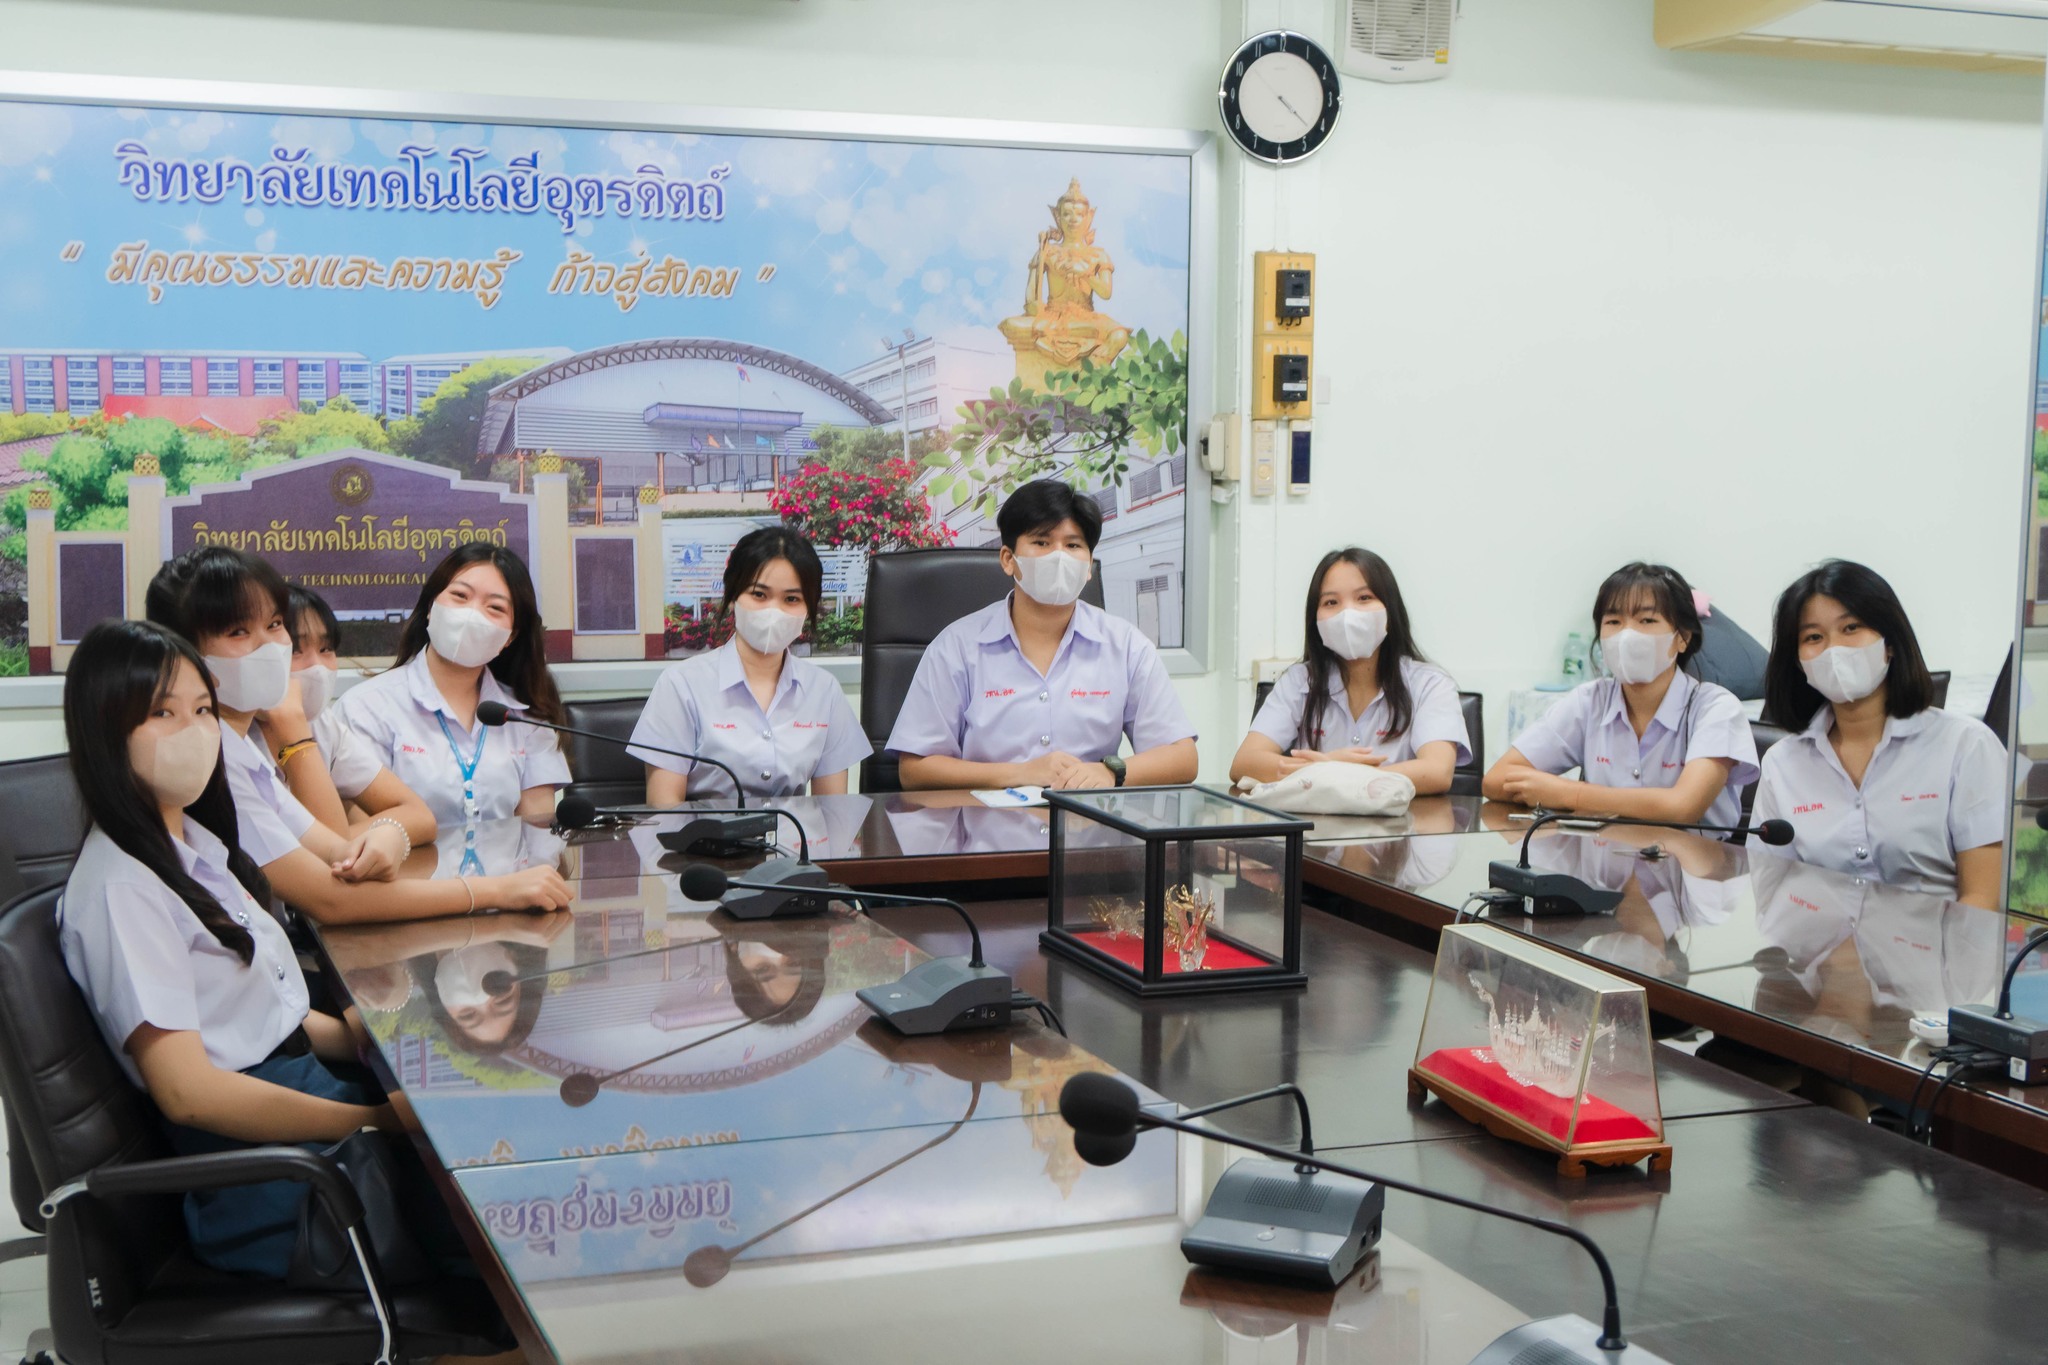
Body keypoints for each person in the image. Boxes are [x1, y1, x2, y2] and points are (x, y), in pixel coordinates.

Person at [54, 621, 416, 1279]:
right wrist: (374, 1119)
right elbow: (192, 1093)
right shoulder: (122, 887)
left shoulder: (195, 843)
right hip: (272, 1179)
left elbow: (256, 1015)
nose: (194, 731)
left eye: (201, 709)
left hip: (303, 1110)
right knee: (481, 1244)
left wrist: (370, 1036)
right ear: (105, 729)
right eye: (161, 712)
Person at [147, 548, 555, 922]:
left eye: (274, 625)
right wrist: (494, 890)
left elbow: (336, 849)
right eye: (238, 632)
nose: (272, 647)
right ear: (183, 651)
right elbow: (333, 899)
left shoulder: (242, 746)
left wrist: (388, 837)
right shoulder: (209, 751)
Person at [887, 479, 1198, 791]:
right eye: (1042, 543)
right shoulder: (956, 647)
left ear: (1089, 565)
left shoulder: (1126, 646)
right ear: (1008, 560)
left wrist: (1110, 772)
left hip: (1089, 831)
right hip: (987, 833)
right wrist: (1020, 774)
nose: (1059, 556)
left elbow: (1182, 757)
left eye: (1073, 545)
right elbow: (915, 770)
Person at [1751, 560, 2004, 906]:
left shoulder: (1966, 746)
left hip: (1939, 953)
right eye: (1813, 637)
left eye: (1851, 628)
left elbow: (1984, 898)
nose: (1833, 649)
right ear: (1798, 661)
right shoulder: (1783, 763)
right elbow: (1773, 894)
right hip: (1822, 954)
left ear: (1890, 642)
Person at [1483, 562, 1758, 829]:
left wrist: (1569, 793)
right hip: (1605, 865)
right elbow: (1496, 780)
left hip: (1695, 866)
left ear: (1682, 637)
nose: (1626, 634)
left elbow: (1682, 807)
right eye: (1613, 621)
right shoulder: (1590, 701)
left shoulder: (1716, 708)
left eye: (1646, 620)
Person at [328, 543, 573, 837]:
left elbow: (538, 834)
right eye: (460, 596)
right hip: (408, 880)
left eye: (494, 608)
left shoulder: (525, 716)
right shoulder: (365, 707)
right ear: (431, 607)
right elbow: (359, 832)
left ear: (510, 637)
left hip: (506, 882)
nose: (471, 615)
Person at [629, 526, 868, 804]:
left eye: (792, 599)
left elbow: (833, 813)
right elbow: (664, 811)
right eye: (759, 594)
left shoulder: (825, 691)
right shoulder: (681, 685)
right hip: (700, 844)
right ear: (733, 597)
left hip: (794, 845)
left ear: (809, 608)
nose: (773, 611)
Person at [1229, 547, 1470, 793]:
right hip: (1316, 829)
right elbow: (1244, 764)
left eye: (1364, 598)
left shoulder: (1430, 684)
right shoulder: (1299, 680)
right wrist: (1334, 769)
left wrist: (1334, 771)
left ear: (1390, 609)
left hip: (1403, 827)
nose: (1347, 614)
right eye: (1331, 602)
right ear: (1316, 619)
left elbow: (1437, 772)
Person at [286, 582, 437, 840]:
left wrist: (371, 841)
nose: (316, 667)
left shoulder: (322, 723)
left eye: (326, 650)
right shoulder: (234, 737)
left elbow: (420, 817)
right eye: (295, 650)